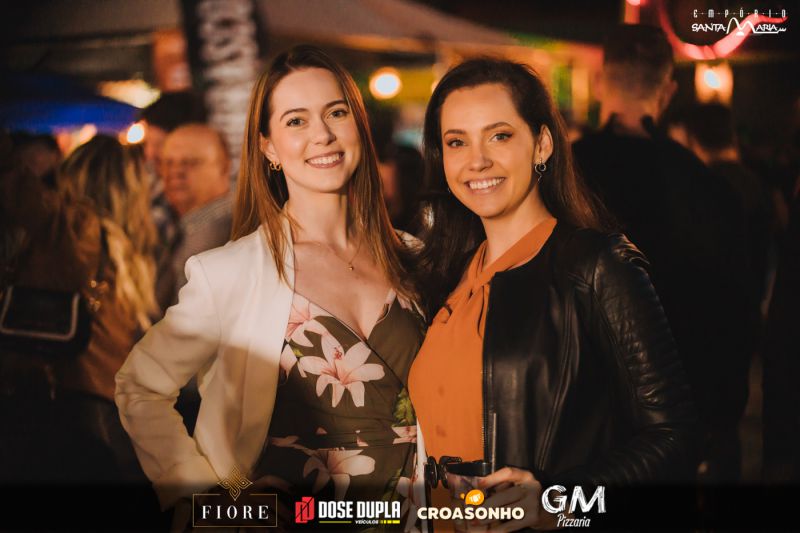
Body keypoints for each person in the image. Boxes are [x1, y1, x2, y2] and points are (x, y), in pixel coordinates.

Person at [115, 45, 425, 530]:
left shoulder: (415, 258)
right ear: (268, 148)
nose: (322, 134)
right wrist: (211, 498)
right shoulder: (230, 273)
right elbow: (139, 386)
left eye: (336, 113)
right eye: (296, 120)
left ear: (359, 126)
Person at [408, 58, 696, 531]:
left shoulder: (596, 265)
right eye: (457, 142)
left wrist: (556, 502)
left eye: (499, 136)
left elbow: (675, 436)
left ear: (541, 144)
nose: (477, 160)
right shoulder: (447, 274)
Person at [572, 25, 747, 486]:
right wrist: (719, 420)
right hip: (676, 411)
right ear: (667, 91)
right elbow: (731, 310)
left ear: (599, 82)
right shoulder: (704, 185)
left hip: (578, 413)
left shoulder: (563, 177)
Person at [1, 135, 157, 484]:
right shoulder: (128, 248)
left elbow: (22, 195)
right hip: (111, 408)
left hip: (71, 401)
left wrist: (9, 153)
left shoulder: (77, 228)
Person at [155, 123, 234, 311]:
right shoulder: (182, 226)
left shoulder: (229, 230)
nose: (175, 172)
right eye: (168, 163)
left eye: (190, 162)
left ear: (224, 167)